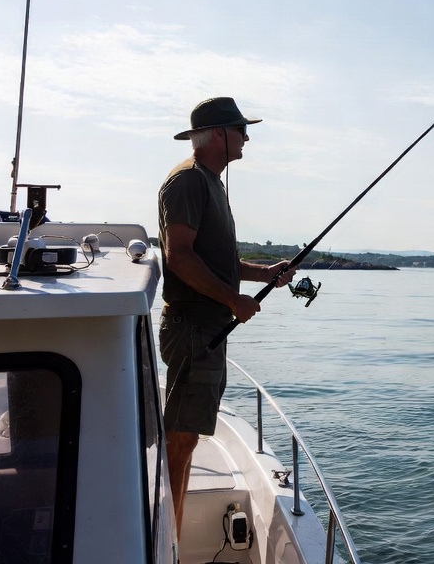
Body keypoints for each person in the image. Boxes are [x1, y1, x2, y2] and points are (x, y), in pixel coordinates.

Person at [157, 96, 295, 540]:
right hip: (194, 330)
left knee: (190, 435)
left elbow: (216, 259)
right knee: (180, 440)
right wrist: (233, 301)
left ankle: (170, 535)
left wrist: (263, 274)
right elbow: (179, 258)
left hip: (208, 330)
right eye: (240, 130)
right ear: (219, 134)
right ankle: (169, 543)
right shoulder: (188, 183)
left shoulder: (212, 183)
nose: (247, 138)